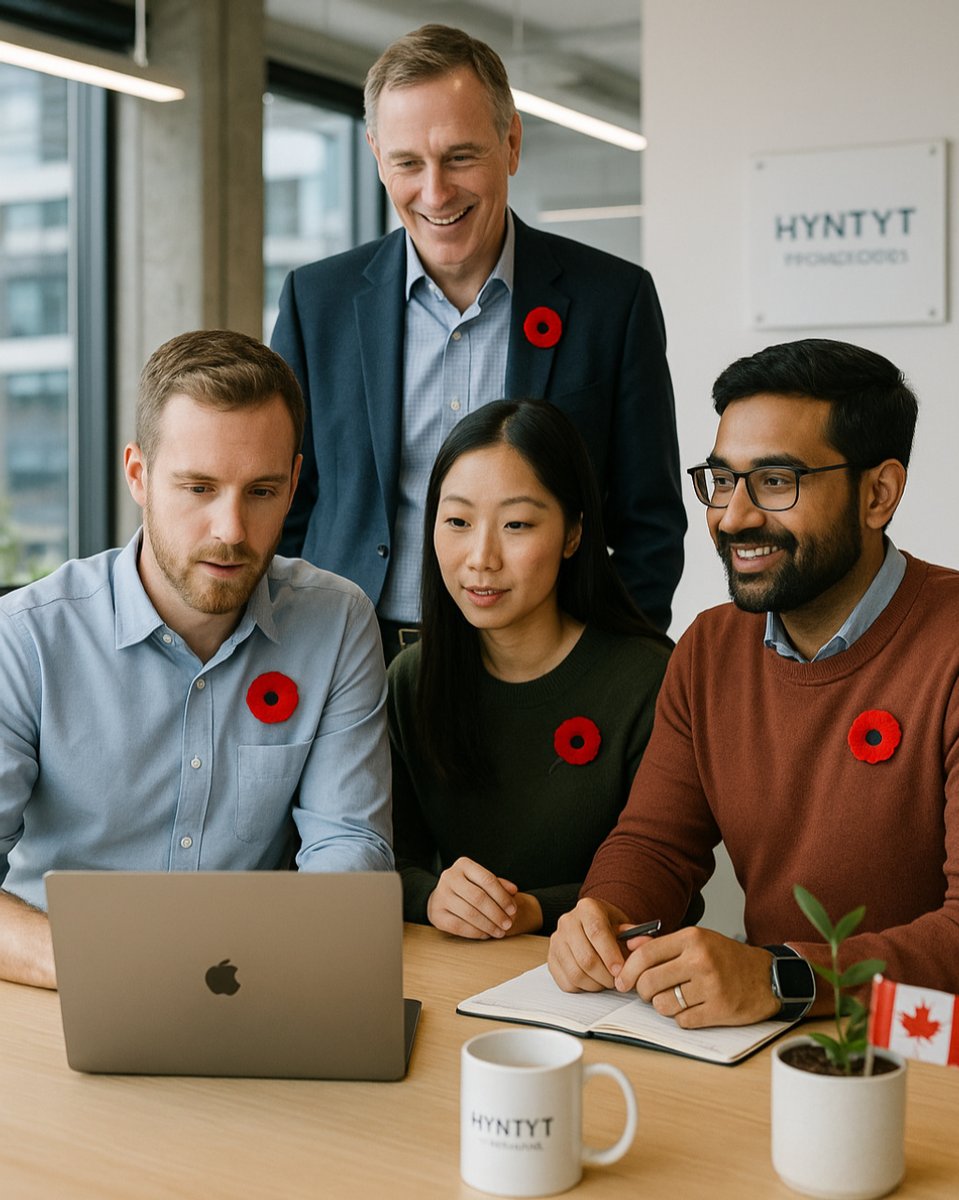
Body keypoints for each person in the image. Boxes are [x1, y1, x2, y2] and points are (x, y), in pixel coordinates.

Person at [548, 338, 959, 1027]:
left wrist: (781, 977)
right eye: (720, 479)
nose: (732, 517)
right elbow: (655, 845)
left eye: (775, 482)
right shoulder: (709, 647)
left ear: (877, 494)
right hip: (776, 1034)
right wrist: (603, 915)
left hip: (927, 1051)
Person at [270, 24, 685, 654]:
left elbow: (648, 522)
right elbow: (284, 500)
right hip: (352, 665)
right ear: (377, 156)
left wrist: (606, 669)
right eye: (408, 162)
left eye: (461, 156)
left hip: (541, 663)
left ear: (511, 143)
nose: (435, 192)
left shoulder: (612, 302)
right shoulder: (316, 302)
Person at [0, 329, 393, 990]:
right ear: (139, 476)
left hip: (249, 988)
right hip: (57, 994)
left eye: (261, 492)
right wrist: (121, 972)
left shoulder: (336, 622)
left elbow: (348, 846)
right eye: (199, 488)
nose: (231, 530)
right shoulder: (25, 638)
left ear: (295, 483)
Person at [388, 399, 673, 938]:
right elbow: (382, 858)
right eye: (457, 521)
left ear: (572, 534)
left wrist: (533, 910)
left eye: (517, 524)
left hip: (598, 984)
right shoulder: (412, 679)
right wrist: (431, 896)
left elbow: (668, 882)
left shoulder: (649, 681)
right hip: (450, 971)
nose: (481, 557)